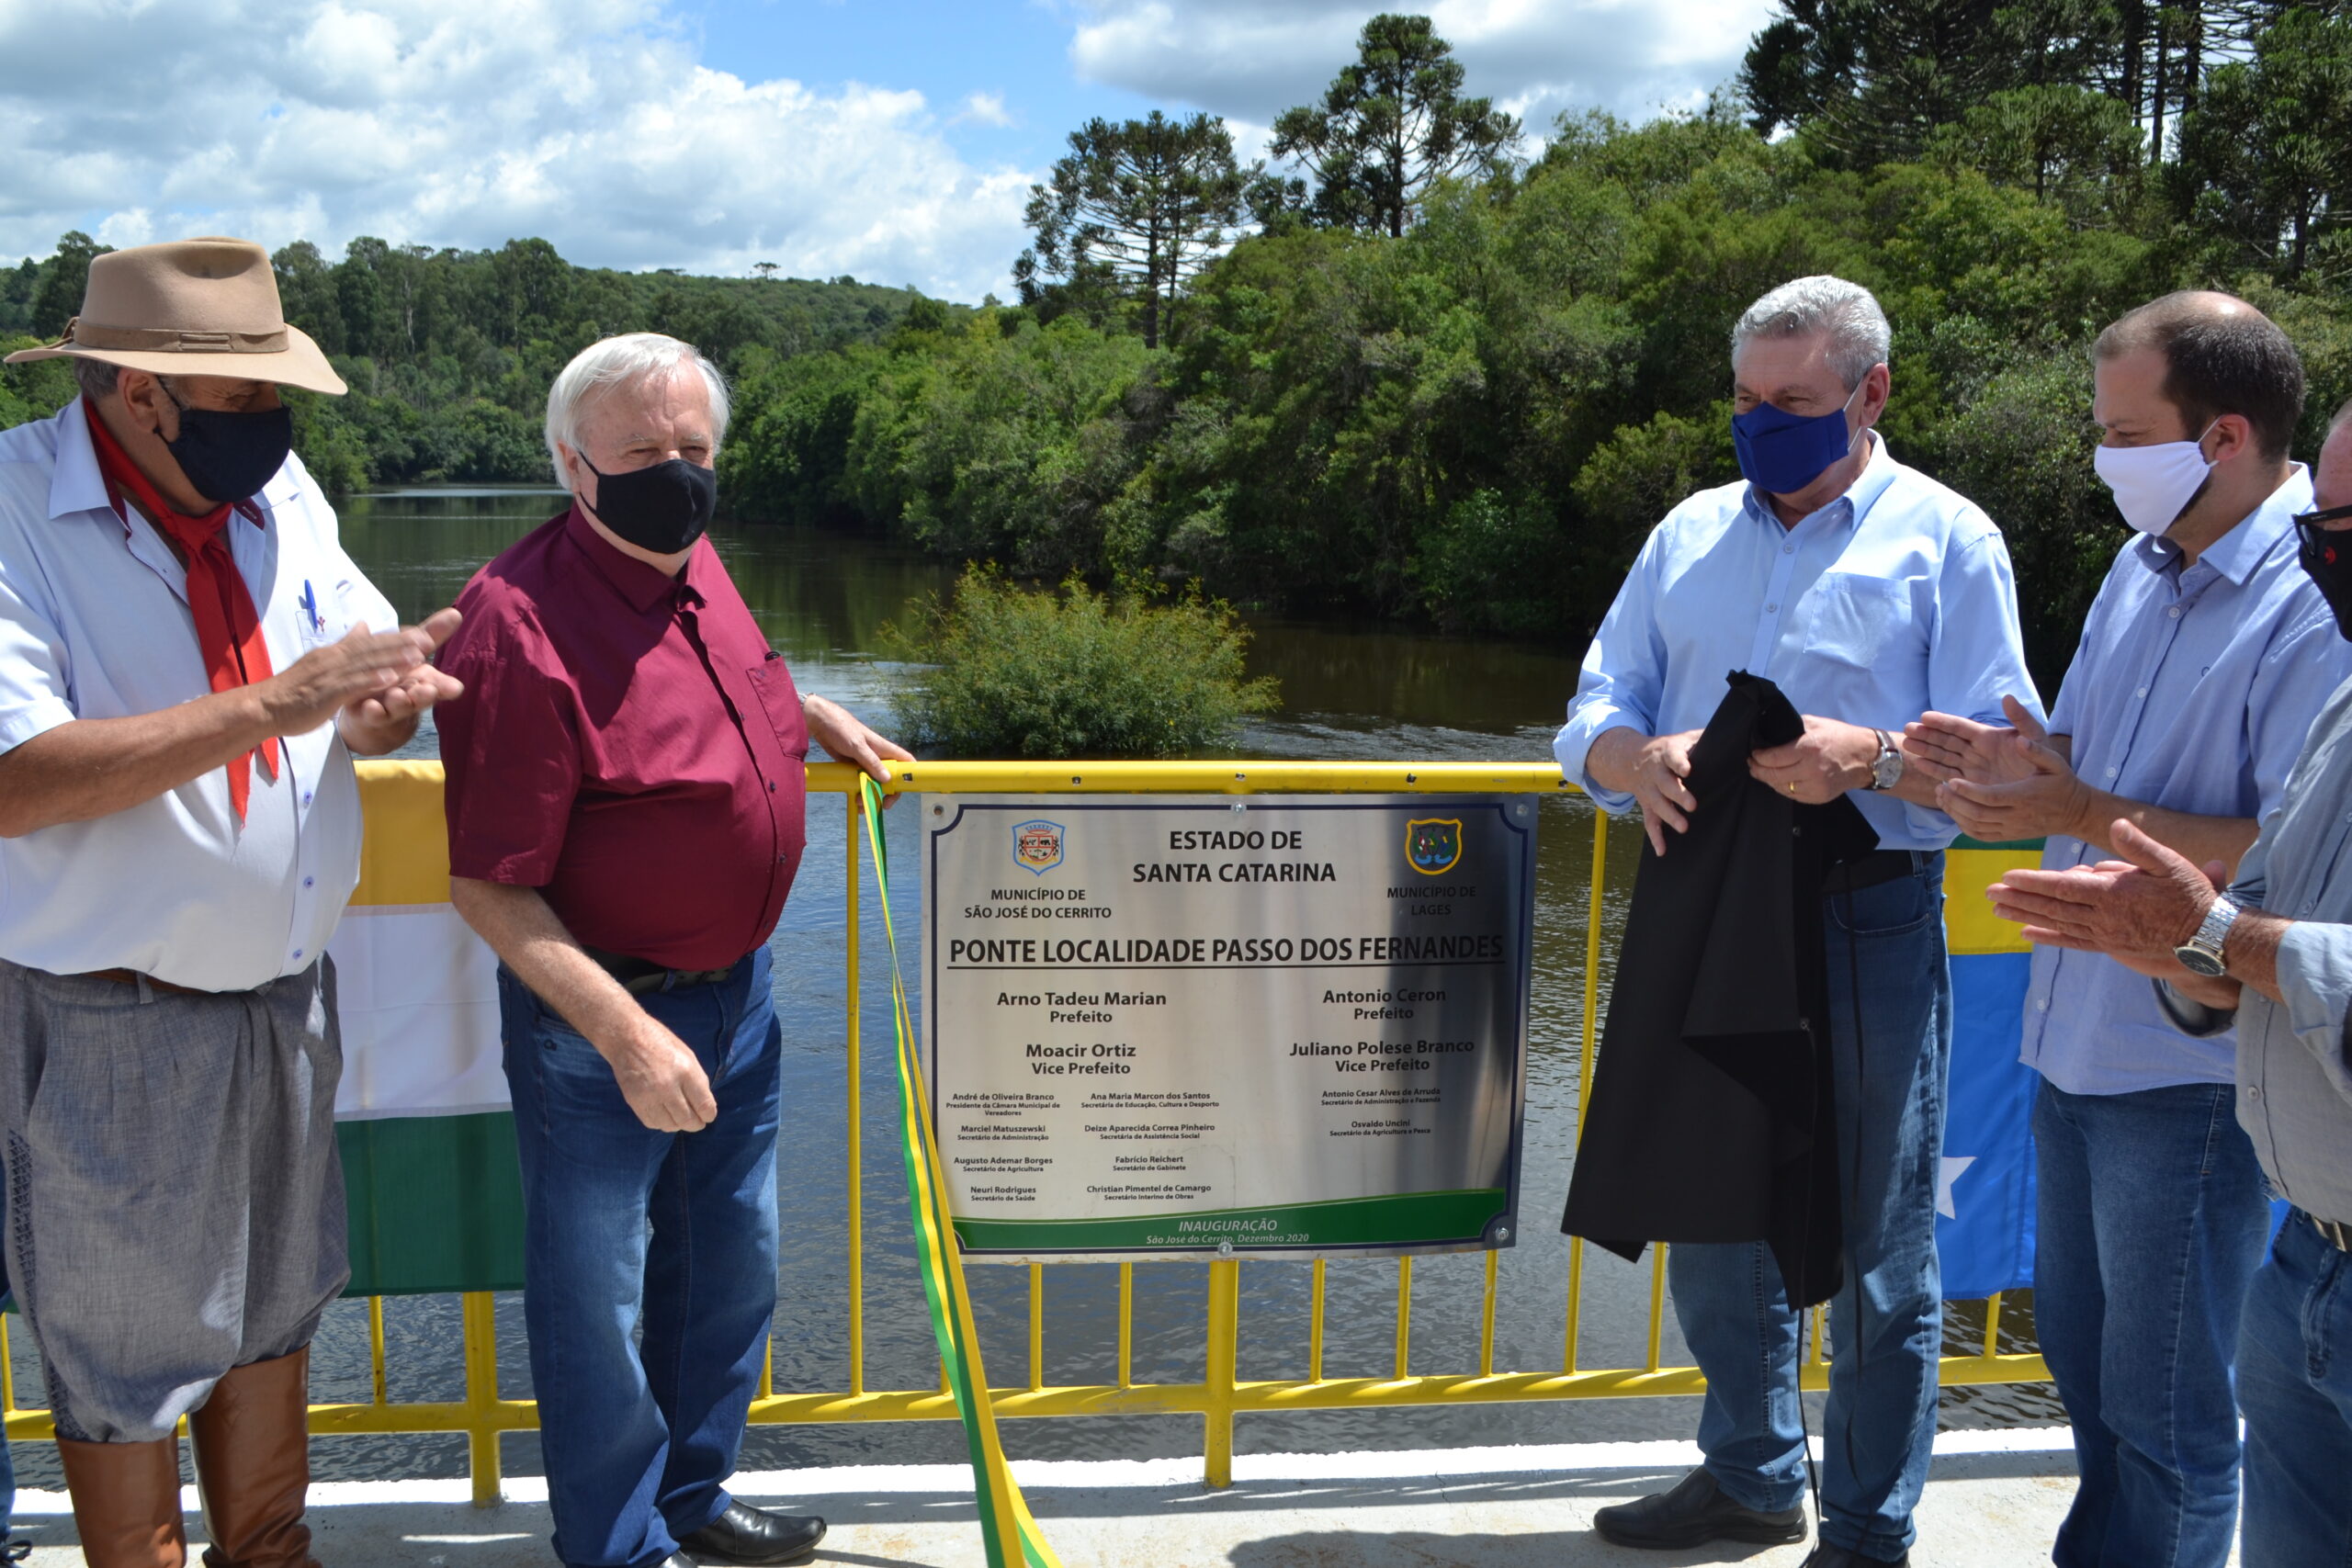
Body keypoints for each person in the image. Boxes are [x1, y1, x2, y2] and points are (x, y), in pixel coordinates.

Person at [1556, 276, 2040, 1567]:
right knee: (1714, 1214)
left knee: (1880, 1246)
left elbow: (2003, 772)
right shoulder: (1689, 533)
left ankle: (1871, 1530)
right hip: (1705, 906)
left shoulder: (1951, 540)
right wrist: (1623, 759)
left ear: (1871, 394)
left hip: (1862, 911)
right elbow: (1595, 702)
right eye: (1748, 402)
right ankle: (1752, 1477)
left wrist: (1870, 754)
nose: (1765, 425)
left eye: (1798, 403)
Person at [0, 238, 462, 1567]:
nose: (273, 428)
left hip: (282, 998)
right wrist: (282, 700)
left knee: (275, 1308)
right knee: (123, 1345)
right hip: (109, 1015)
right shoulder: (15, 512)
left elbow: (351, 702)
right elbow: (19, 778)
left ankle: (271, 1553)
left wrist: (380, 709)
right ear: (140, 393)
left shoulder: (284, 495)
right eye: (249, 400)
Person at [435, 333, 910, 1568]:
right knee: (600, 1306)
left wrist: (805, 714)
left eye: (694, 448)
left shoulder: (701, 566)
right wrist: (625, 1033)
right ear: (570, 462)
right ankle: (613, 1544)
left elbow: (700, 697)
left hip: (739, 1006)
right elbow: (489, 885)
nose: (675, 471)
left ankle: (693, 1497)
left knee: (730, 1277)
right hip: (608, 1031)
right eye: (643, 450)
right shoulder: (517, 624)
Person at [1905, 293, 2346, 1568]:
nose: (2101, 459)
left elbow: (2289, 850)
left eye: (2121, 431)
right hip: (2074, 1040)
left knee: (2168, 1417)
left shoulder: (2312, 599)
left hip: (2191, 1068)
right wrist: (2017, 766)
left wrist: (2082, 804)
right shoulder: (2139, 567)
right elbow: (2089, 770)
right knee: (2094, 1388)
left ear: (2222, 435)